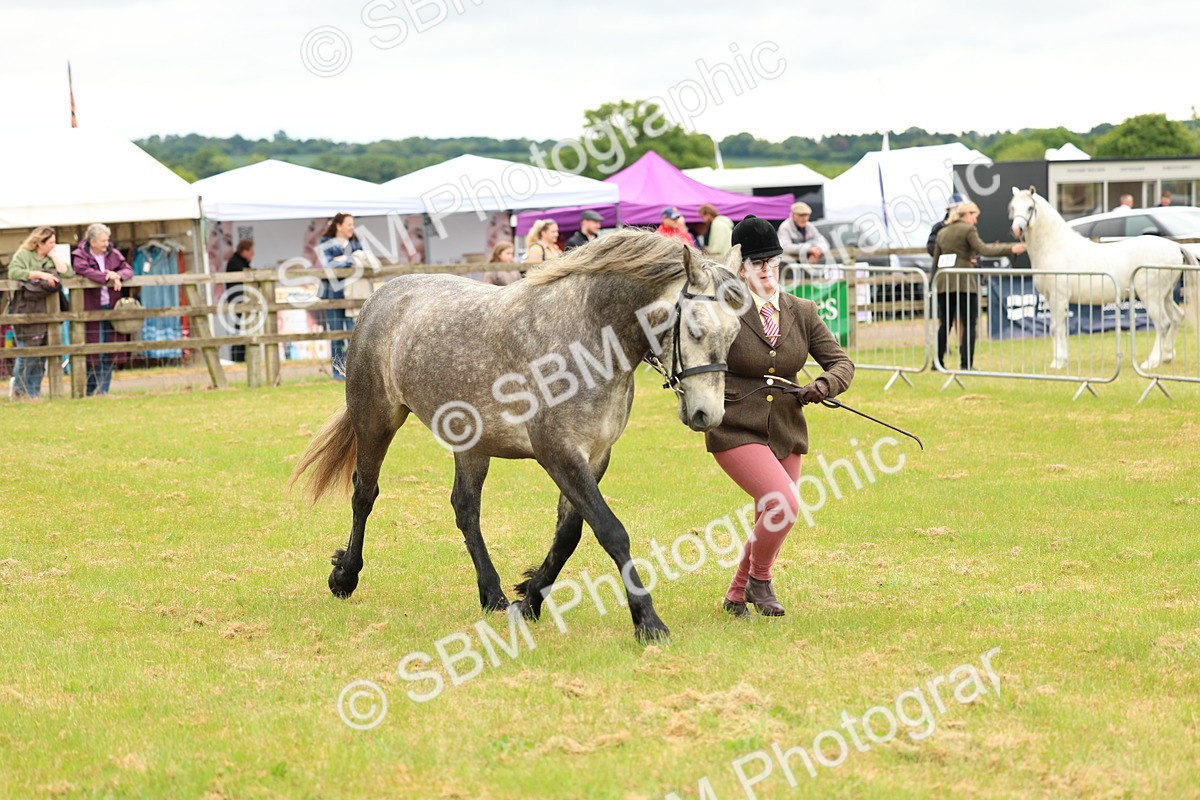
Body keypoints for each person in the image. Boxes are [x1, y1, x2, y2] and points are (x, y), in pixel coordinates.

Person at [709, 216, 855, 618]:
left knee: (768, 514)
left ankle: (737, 594)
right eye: (758, 263)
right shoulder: (722, 313)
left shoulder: (802, 311)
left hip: (787, 429)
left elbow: (841, 362)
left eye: (772, 262)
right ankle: (762, 579)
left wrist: (824, 385)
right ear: (740, 269)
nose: (767, 270)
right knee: (785, 503)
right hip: (735, 426)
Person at [931, 201, 1026, 371]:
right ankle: (966, 364)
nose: (975, 221)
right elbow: (984, 250)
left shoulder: (942, 232)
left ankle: (937, 362)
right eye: (975, 217)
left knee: (945, 324)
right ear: (967, 214)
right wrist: (1012, 249)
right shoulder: (967, 230)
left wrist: (933, 283)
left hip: (944, 283)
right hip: (964, 283)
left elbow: (936, 260)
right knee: (969, 324)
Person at [7, 226, 69, 399]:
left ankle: (33, 393)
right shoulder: (23, 255)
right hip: (25, 310)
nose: (53, 245)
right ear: (39, 242)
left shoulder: (50, 258)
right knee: (27, 352)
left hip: (47, 311)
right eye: (50, 242)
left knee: (41, 354)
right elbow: (14, 272)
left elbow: (68, 272)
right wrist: (41, 275)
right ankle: (19, 390)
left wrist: (54, 256)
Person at [72, 223, 134, 396]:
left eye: (107, 240)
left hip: (111, 307)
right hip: (91, 307)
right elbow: (83, 270)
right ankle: (91, 390)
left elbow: (128, 269)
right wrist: (107, 275)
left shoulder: (113, 253)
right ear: (92, 241)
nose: (107, 243)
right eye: (103, 240)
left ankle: (103, 390)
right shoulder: (80, 255)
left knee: (110, 349)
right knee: (93, 350)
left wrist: (119, 275)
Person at [318, 213, 362, 381]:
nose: (352, 227)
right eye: (349, 224)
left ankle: (351, 371)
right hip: (332, 293)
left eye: (353, 224)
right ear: (339, 226)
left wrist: (343, 259)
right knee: (337, 334)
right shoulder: (325, 243)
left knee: (354, 334)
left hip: (352, 294)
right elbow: (328, 264)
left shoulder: (356, 243)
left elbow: (363, 261)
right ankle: (337, 372)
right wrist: (347, 261)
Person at [225, 239, 254, 363]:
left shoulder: (239, 262)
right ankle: (238, 358)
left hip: (241, 302)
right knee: (240, 330)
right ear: (245, 250)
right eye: (251, 251)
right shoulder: (237, 263)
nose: (253, 254)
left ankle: (240, 358)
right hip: (239, 302)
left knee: (242, 329)